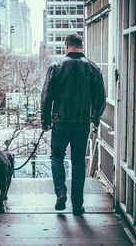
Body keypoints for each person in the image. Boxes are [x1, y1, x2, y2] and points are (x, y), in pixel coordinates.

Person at [41, 34, 106, 216]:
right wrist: (95, 118)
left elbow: (46, 96)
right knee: (78, 163)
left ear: (67, 45)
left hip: (60, 122)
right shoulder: (93, 68)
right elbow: (101, 99)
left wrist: (45, 120)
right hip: (82, 123)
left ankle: (61, 193)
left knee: (56, 157)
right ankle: (77, 205)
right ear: (81, 46)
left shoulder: (56, 66)